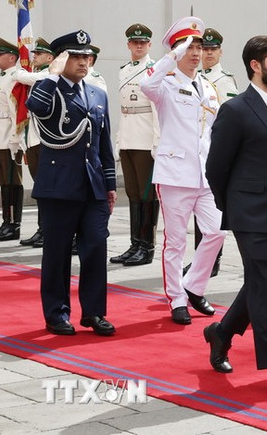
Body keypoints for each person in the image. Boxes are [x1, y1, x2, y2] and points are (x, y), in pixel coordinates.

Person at [203, 34, 267, 396]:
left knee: (264, 282)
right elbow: (216, 167)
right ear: (256, 65)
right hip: (250, 214)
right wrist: (232, 206)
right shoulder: (235, 110)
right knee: (264, 287)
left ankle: (221, 332)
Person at [25, 30, 117, 336]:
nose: (83, 61)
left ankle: (93, 312)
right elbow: (35, 108)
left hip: (92, 186)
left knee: (95, 247)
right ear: (61, 58)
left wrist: (110, 184)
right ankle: (56, 313)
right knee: (58, 252)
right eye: (75, 56)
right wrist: (50, 74)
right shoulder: (47, 89)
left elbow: (103, 144)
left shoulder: (98, 93)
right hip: (59, 185)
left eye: (86, 56)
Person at [140, 17, 226, 325]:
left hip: (204, 174)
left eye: (199, 47)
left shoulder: (209, 86)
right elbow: (145, 83)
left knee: (217, 231)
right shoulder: (164, 84)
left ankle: (194, 286)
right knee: (175, 241)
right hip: (175, 174)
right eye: (188, 47)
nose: (195, 53)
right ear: (176, 52)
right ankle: (176, 298)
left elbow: (213, 130)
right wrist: (171, 58)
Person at [184, 27, 238, 278]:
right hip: (200, 150)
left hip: (217, 149)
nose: (207, 54)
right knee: (200, 210)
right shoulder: (195, 77)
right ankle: (201, 258)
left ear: (220, 52)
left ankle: (213, 261)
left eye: (212, 50)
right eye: (204, 49)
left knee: (213, 208)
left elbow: (228, 120)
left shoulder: (224, 80)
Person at [110, 23, 160, 267]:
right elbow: (124, 109)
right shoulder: (123, 70)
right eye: (134, 42)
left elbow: (157, 110)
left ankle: (147, 246)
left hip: (145, 138)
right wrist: (120, 140)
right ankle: (135, 244)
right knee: (132, 193)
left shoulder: (155, 70)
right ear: (128, 44)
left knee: (147, 194)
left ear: (149, 45)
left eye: (143, 42)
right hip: (130, 136)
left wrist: (157, 142)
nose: (138, 45)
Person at [16, 37, 54, 248]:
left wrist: (20, 71)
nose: (34, 57)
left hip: (44, 140)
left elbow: (21, 75)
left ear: (50, 57)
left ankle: (47, 229)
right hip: (33, 139)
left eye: (38, 54)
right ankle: (42, 229)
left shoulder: (49, 73)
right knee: (40, 189)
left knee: (46, 188)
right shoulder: (38, 74)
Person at [0, 38, 24, 242]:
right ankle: (5, 222)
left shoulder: (15, 77)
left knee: (12, 181)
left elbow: (16, 110)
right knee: (3, 182)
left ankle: (14, 225)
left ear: (12, 58)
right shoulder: (0, 78)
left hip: (8, 136)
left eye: (0, 54)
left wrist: (15, 138)